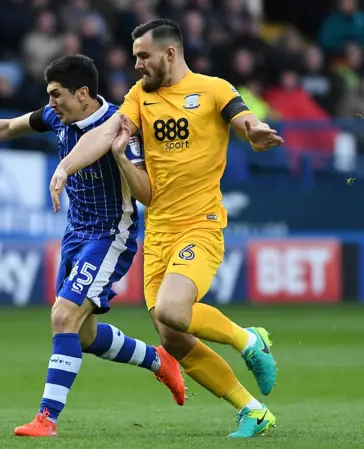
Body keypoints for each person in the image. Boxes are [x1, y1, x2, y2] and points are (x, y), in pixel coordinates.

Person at [0, 54, 185, 438]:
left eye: (56, 94)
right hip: (75, 236)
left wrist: (76, 167)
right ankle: (157, 359)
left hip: (110, 237)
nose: (50, 103)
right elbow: (6, 127)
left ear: (83, 93)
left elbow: (143, 188)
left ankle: (47, 419)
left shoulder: (120, 125)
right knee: (82, 335)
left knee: (62, 317)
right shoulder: (58, 117)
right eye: (48, 95)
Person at [49, 20, 284, 438]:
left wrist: (255, 132)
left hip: (201, 224)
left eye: (144, 56)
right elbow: (105, 133)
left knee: (175, 311)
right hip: (157, 233)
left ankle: (249, 339)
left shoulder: (214, 89)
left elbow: (244, 118)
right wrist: (66, 167)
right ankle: (252, 410)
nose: (137, 64)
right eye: (136, 56)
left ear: (170, 53)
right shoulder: (140, 98)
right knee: (172, 337)